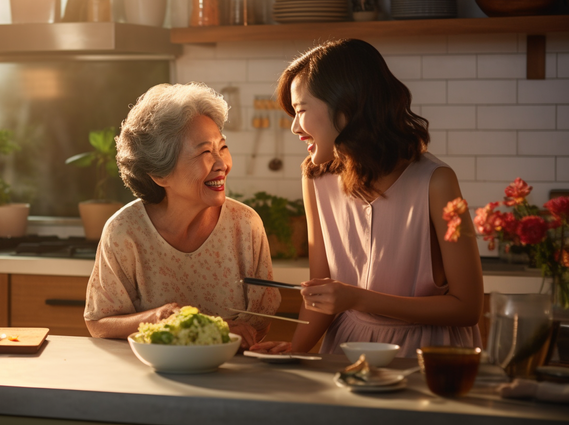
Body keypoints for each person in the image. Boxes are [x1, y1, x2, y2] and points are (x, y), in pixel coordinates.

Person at [250, 39, 483, 357]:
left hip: (429, 357)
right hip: (347, 350)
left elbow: (467, 307)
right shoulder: (316, 179)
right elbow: (323, 294)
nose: (294, 127)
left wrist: (358, 299)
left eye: (301, 110)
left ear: (346, 108)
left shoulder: (438, 182)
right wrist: (294, 350)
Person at [83, 82, 281, 349]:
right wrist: (159, 317)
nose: (222, 164)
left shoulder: (246, 225)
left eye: (222, 147)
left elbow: (260, 321)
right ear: (160, 174)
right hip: (152, 376)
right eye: (204, 152)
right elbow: (99, 323)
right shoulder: (124, 231)